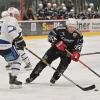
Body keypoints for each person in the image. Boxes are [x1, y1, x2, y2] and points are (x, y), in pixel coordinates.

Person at [26, 18, 83, 85]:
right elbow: (50, 36)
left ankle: (54, 78)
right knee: (43, 62)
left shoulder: (78, 34)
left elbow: (79, 44)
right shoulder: (59, 29)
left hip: (68, 52)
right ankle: (32, 77)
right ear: (67, 26)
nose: (72, 29)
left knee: (63, 66)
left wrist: (76, 52)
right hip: (55, 49)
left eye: (73, 27)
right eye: (70, 27)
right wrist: (57, 42)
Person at [0, 11, 22, 88]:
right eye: (16, 15)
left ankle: (11, 74)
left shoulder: (1, 20)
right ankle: (13, 79)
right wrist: (19, 41)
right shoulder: (11, 19)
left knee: (11, 60)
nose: (17, 17)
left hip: (3, 43)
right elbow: (11, 31)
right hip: (4, 44)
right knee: (17, 59)